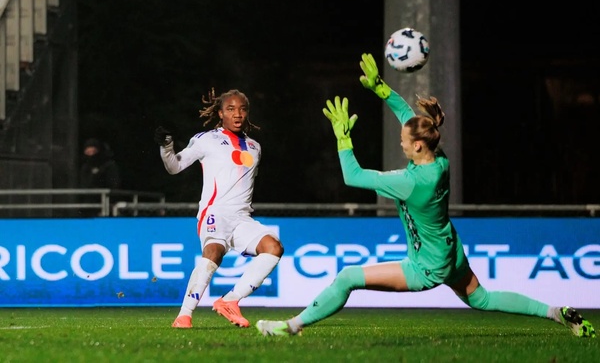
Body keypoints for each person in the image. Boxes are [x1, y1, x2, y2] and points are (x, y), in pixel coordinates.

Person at [255, 53, 596, 338]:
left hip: (427, 266)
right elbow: (409, 117)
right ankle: (555, 312)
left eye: (404, 141)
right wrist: (381, 89)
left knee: (347, 278)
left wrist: (343, 138)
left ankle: (292, 326)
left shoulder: (410, 182)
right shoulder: (439, 160)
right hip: (450, 249)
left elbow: (352, 175)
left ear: (417, 145)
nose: (401, 142)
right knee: (482, 299)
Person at [155, 88, 284, 329]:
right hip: (215, 212)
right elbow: (174, 167)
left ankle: (231, 301)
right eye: (231, 109)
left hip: (242, 217)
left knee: (273, 247)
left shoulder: (255, 146)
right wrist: (166, 147)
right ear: (220, 113)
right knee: (214, 252)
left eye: (242, 109)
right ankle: (184, 315)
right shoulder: (206, 139)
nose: (238, 114)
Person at [79, 138, 121, 216]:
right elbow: (84, 185)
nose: (91, 155)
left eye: (93, 152)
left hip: (105, 206)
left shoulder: (109, 166)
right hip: (88, 206)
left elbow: (113, 186)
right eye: (88, 152)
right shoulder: (85, 168)